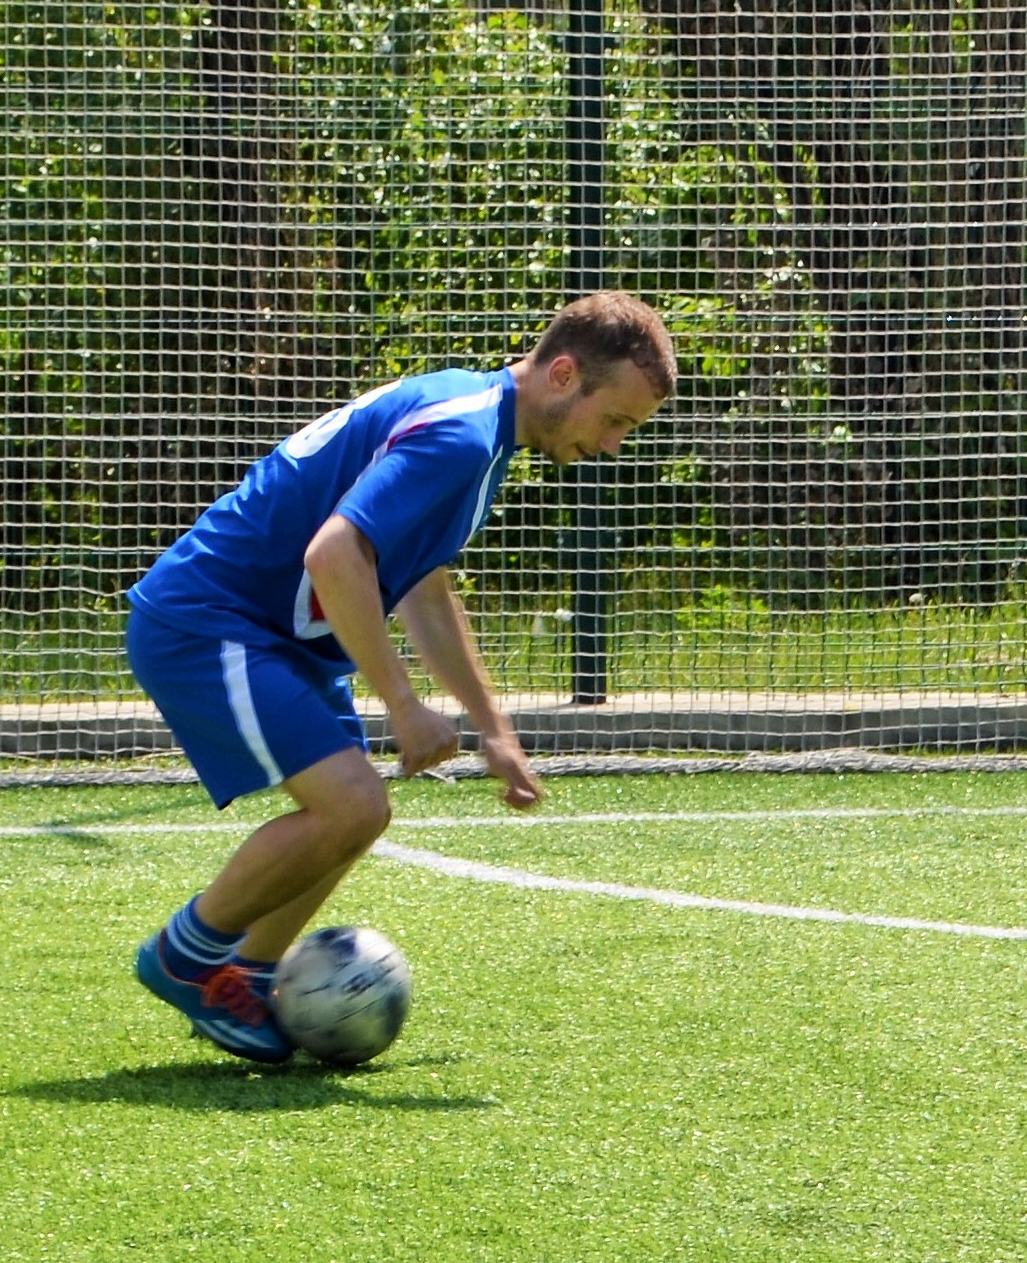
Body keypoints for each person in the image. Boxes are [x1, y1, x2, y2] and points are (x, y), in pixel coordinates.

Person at [126, 291, 676, 1063]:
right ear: (562, 374)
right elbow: (334, 555)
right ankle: (188, 957)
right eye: (614, 420)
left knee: (361, 813)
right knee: (351, 802)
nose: (613, 445)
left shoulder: (481, 427)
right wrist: (404, 703)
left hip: (277, 638)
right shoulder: (460, 434)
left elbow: (423, 587)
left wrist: (493, 727)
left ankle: (245, 973)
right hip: (210, 621)